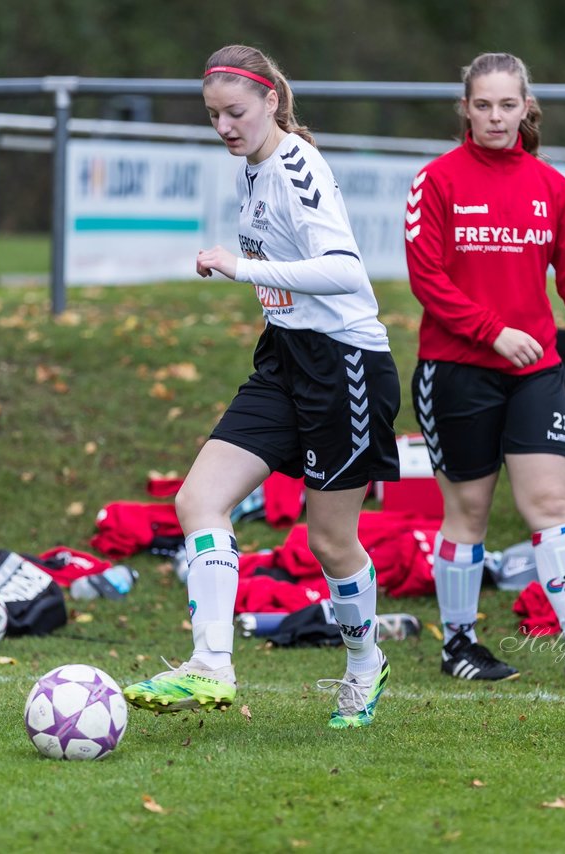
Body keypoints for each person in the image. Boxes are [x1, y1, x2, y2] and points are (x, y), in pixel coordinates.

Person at [123, 44, 402, 729]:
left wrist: (241, 268)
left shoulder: (297, 165)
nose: (224, 126)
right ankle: (211, 664)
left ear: (271, 100)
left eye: (235, 112)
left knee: (329, 541)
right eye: (213, 114)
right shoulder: (252, 167)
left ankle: (366, 667)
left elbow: (344, 270)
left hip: (345, 367)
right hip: (285, 359)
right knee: (199, 500)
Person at [404, 52, 565, 685]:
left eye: (508, 105)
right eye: (483, 105)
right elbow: (426, 279)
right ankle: (459, 645)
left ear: (526, 108)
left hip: (536, 372)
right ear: (466, 109)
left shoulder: (551, 186)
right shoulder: (437, 181)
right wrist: (492, 332)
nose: (495, 117)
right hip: (456, 370)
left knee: (547, 501)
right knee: (469, 514)